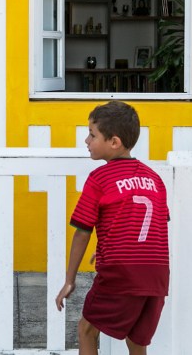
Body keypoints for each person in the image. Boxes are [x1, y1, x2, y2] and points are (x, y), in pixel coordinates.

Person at [55, 101, 169, 355]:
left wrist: (69, 280)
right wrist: (109, 246)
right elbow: (153, 225)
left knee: (86, 329)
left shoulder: (100, 178)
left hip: (121, 272)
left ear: (114, 142)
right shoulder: (154, 179)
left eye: (92, 135)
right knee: (137, 340)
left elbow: (82, 231)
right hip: (157, 276)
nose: (86, 140)